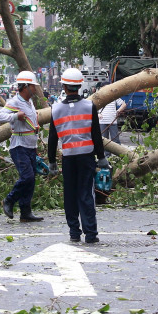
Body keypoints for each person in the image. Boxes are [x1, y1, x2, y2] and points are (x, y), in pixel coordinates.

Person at [48, 68, 106, 243]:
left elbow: (52, 138)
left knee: (70, 194)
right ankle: (90, 233)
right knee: (86, 194)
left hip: (68, 158)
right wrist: (101, 156)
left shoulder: (56, 109)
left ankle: (74, 232)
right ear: (80, 86)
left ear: (64, 87)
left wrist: (52, 162)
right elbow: (96, 134)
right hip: (86, 157)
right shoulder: (90, 106)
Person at [0, 71, 45, 222]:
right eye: (33, 86)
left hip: (30, 146)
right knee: (27, 176)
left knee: (31, 179)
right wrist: (15, 116)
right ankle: (9, 200)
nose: (35, 89)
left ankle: (25, 212)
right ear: (25, 87)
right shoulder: (14, 102)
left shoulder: (29, 102)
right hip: (19, 147)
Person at [98, 95, 126, 167]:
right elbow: (93, 107)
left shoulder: (114, 96)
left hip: (112, 121)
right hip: (102, 121)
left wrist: (118, 111)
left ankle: (119, 157)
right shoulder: (99, 97)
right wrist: (97, 114)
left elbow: (124, 104)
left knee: (115, 140)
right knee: (105, 141)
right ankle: (108, 158)